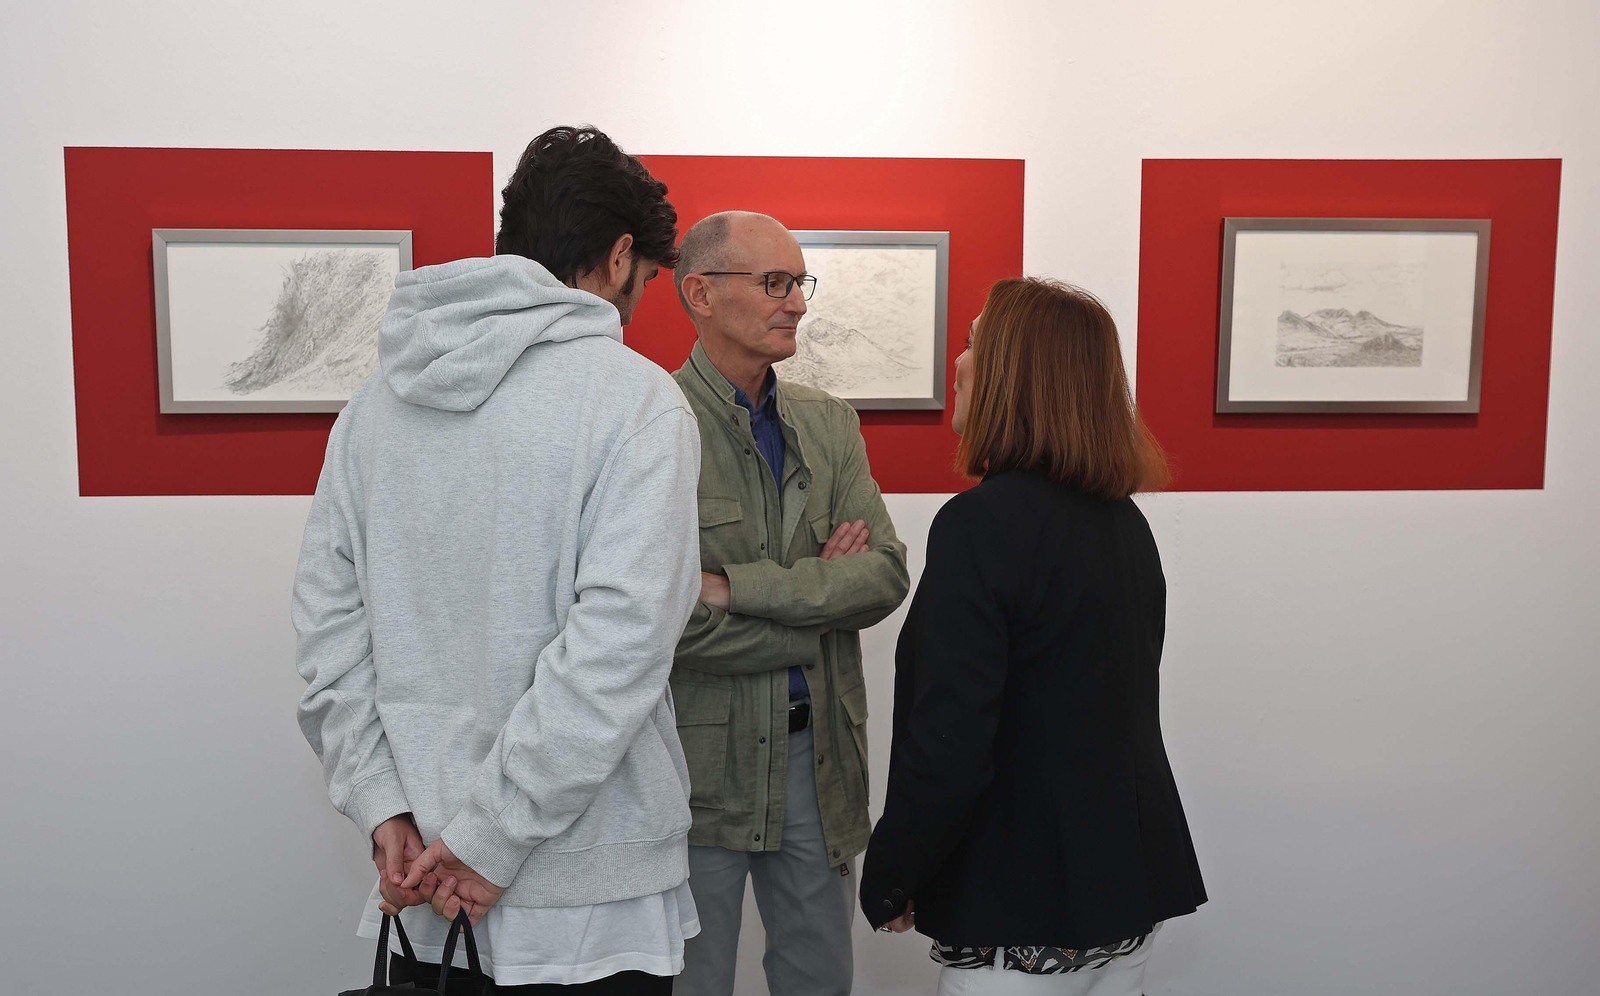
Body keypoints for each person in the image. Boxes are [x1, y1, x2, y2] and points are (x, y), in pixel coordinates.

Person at [293, 125, 704, 994]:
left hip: (422, 883)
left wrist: (382, 806)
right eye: (647, 278)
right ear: (620, 255)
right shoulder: (636, 400)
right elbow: (619, 649)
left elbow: (328, 629)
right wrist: (491, 837)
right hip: (591, 896)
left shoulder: (374, 407)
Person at [858, 278, 1207, 995]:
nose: (957, 363)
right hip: (1122, 891)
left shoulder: (981, 525)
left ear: (1014, 374)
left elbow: (950, 739)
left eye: (973, 344)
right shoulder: (1123, 524)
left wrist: (894, 873)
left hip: (1020, 906)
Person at [667, 211, 911, 996]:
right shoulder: (653, 424)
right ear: (700, 293)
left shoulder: (828, 422)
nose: (797, 303)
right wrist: (812, 616)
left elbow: (883, 575)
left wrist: (738, 588)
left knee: (819, 981)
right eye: (775, 283)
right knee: (689, 984)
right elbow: (660, 621)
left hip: (819, 764)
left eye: (799, 283)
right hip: (693, 771)